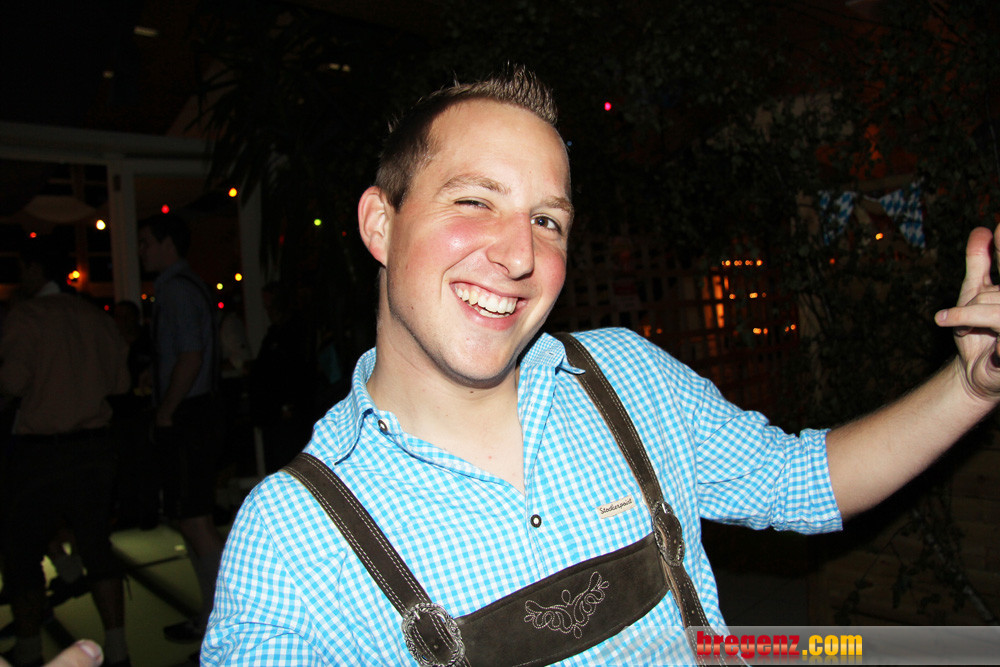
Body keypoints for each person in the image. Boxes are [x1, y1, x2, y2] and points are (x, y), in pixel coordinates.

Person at [202, 67, 1000, 664]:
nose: (518, 254)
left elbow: (800, 481)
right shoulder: (294, 537)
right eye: (475, 200)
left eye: (547, 219)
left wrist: (969, 386)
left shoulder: (628, 377)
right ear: (381, 223)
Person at [0, 244, 131, 667]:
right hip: (94, 447)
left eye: (23, 268)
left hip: (42, 450)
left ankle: (28, 649)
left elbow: (12, 382)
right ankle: (117, 649)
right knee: (97, 547)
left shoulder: (27, 317)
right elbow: (120, 382)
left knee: (22, 552)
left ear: (36, 269)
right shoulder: (96, 317)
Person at [137, 213, 225, 645]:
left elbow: (190, 356)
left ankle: (220, 620)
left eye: (146, 242)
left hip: (188, 414)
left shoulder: (175, 290)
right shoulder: (190, 286)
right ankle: (213, 616)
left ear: (168, 244)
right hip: (197, 412)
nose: (141, 251)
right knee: (196, 519)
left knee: (194, 521)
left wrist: (167, 409)